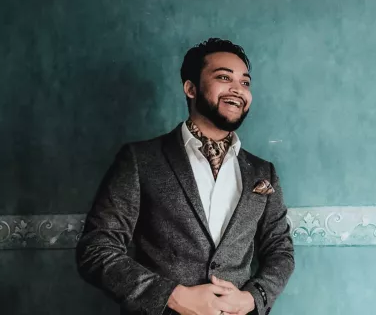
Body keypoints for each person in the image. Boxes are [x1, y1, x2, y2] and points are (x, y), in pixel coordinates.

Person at [76, 38, 294, 315]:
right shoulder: (139, 159)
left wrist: (253, 298)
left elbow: (280, 250)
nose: (237, 90)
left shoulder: (264, 172)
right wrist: (171, 296)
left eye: (245, 82)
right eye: (224, 77)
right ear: (190, 88)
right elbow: (96, 248)